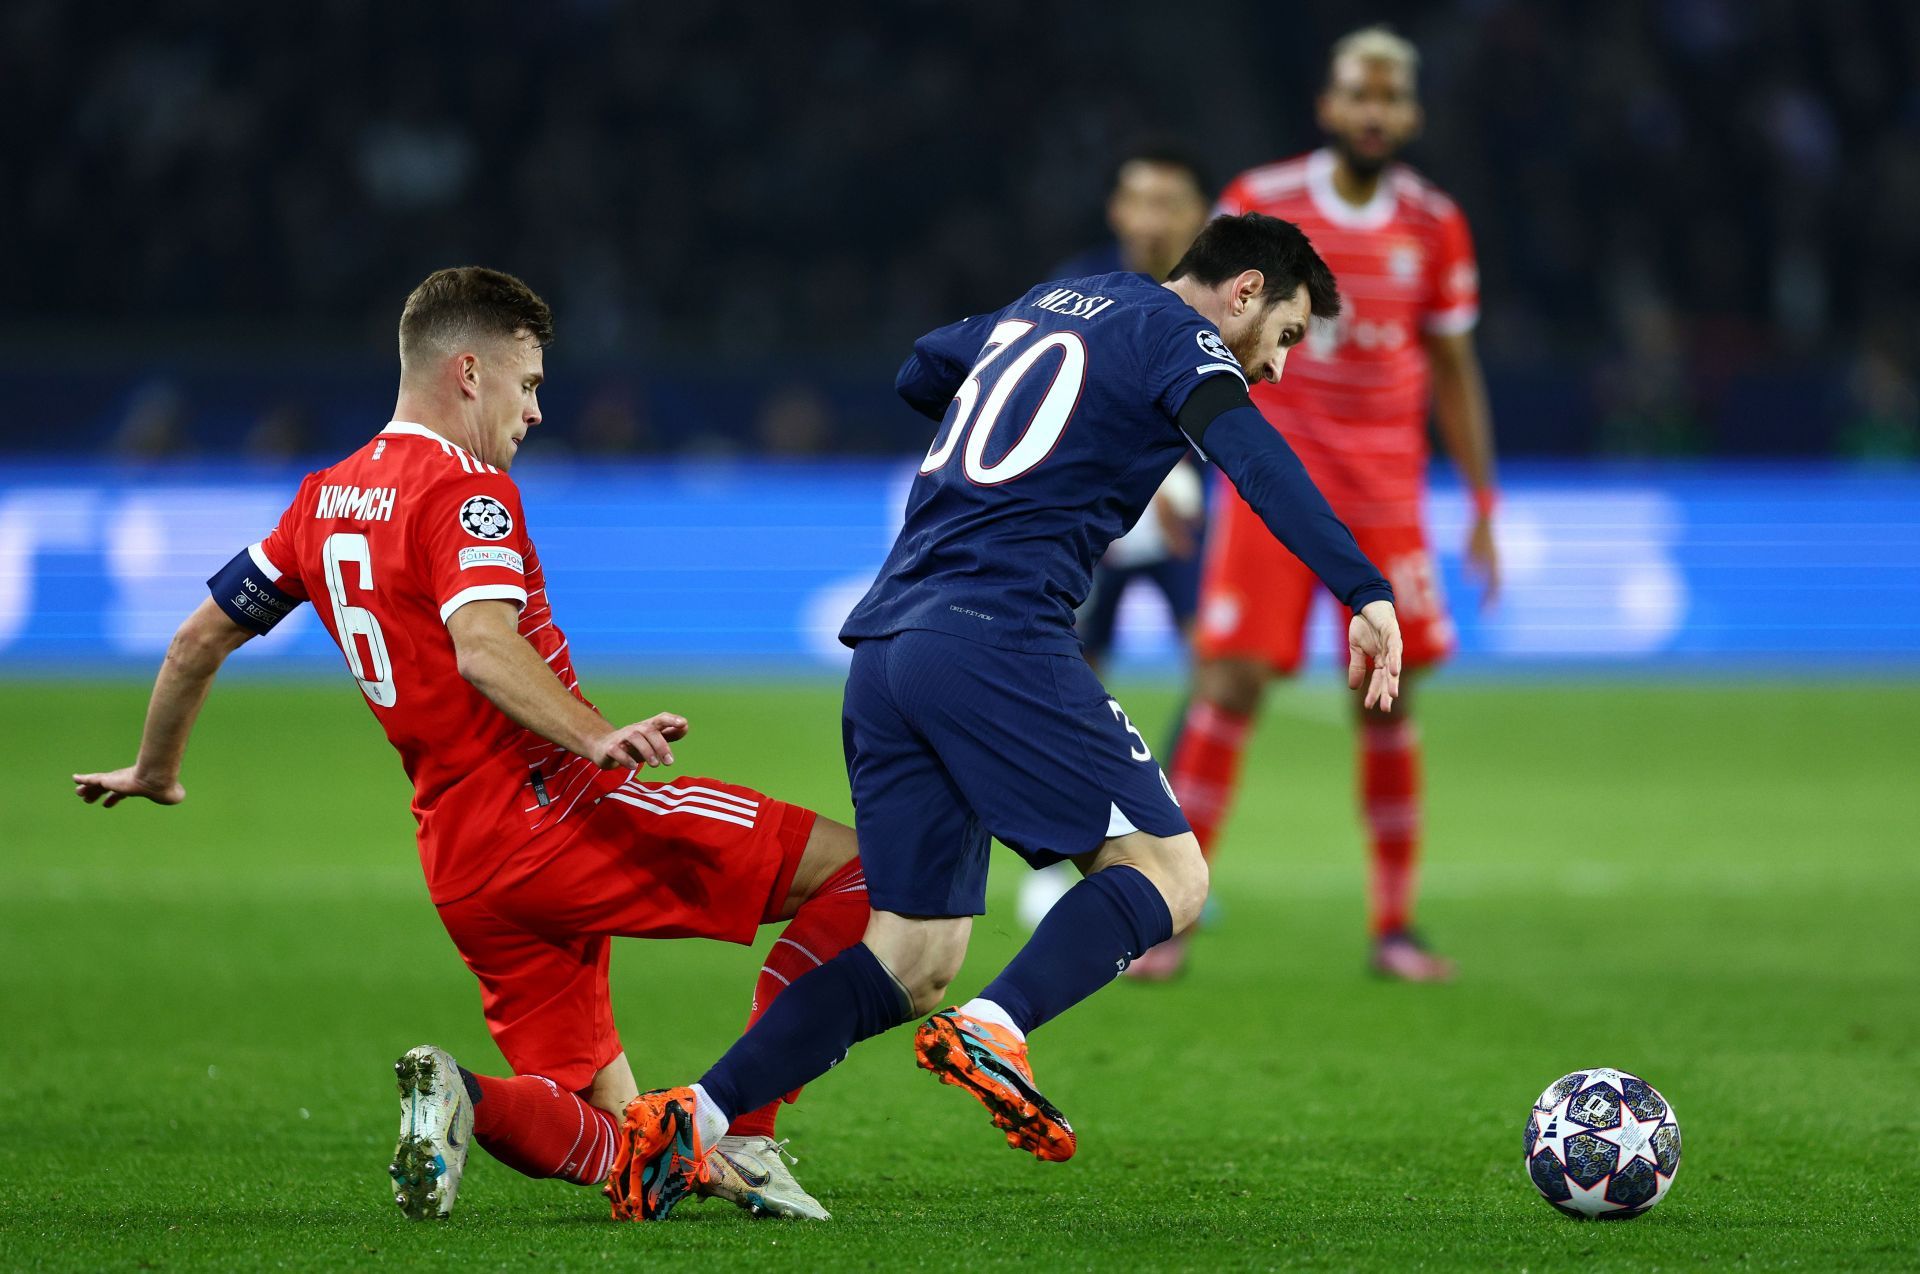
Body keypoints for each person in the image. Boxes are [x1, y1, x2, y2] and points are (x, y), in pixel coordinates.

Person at [601, 213, 1405, 1221]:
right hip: (999, 634)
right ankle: (1000, 1023)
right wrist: (1362, 588)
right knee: (1172, 872)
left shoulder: (1053, 303)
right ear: (1243, 289)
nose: (1279, 366)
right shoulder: (1178, 334)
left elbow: (918, 371)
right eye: (1285, 335)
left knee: (912, 953)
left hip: (890, 646)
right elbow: (1252, 453)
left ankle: (694, 1115)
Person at [71, 267, 870, 1223]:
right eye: (527, 384)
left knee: (632, 1153)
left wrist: (156, 770)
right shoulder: (466, 491)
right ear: (466, 372)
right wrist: (596, 735)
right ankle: (745, 1125)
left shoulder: (321, 501)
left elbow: (195, 639)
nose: (535, 411)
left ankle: (464, 1094)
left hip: (463, 859)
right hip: (561, 810)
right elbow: (485, 645)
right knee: (867, 877)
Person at [1157, 26, 1502, 982]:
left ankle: (1394, 927)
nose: (1376, 112)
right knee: (1227, 686)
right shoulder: (1259, 204)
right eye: (1361, 94)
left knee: (1386, 706)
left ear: (1412, 113)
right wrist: (1170, 465)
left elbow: (1454, 364)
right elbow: (1186, 332)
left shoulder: (1435, 224)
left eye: (1392, 98)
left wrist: (1480, 500)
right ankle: (1174, 918)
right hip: (1270, 487)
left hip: (1387, 505)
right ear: (1329, 105)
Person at [1022, 140, 1214, 928]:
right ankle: (1068, 852)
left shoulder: (1220, 294)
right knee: (1063, 681)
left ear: (1197, 214)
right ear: (1115, 210)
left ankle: (1172, 835)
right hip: (1094, 526)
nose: (1151, 218)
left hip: (1182, 529)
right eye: (1139, 200)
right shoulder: (1080, 289)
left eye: (1169, 202)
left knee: (1212, 675)